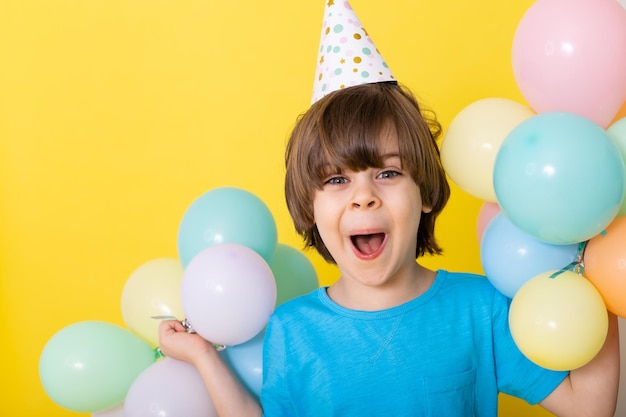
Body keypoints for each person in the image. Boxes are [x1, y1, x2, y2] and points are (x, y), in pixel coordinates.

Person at [159, 81, 619, 417]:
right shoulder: (291, 329)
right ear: (310, 208)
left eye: (388, 173)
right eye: (337, 180)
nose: (363, 196)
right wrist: (203, 355)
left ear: (425, 194)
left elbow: (589, 407)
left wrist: (599, 274)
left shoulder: (482, 308)